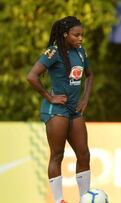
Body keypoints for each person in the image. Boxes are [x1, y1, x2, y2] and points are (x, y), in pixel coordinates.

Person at [27, 16, 93, 203]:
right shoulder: (53, 52)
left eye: (82, 35)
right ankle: (59, 200)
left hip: (75, 110)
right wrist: (50, 97)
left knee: (84, 154)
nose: (80, 38)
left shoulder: (80, 51)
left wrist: (85, 98)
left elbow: (89, 75)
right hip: (56, 111)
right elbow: (32, 76)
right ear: (65, 35)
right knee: (57, 155)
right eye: (76, 35)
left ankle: (85, 198)